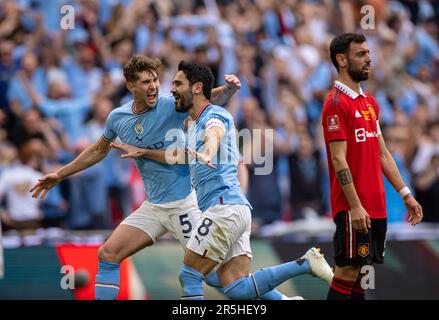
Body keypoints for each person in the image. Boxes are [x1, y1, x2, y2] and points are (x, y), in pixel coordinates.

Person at [111, 61, 334, 300]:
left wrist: (208, 151)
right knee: (237, 289)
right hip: (234, 209)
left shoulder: (214, 115)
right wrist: (144, 152)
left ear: (196, 88)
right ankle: (304, 264)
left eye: (177, 83)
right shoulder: (192, 125)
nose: (171, 89)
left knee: (190, 276)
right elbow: (176, 156)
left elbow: (214, 133)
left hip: (223, 210)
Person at [29, 55, 241, 300]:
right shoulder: (118, 118)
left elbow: (205, 100)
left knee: (213, 275)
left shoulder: (170, 105)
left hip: (184, 204)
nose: (153, 86)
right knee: (108, 253)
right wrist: (60, 173)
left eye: (155, 80)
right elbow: (98, 150)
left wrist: (228, 89)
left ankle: (276, 299)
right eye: (145, 82)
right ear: (130, 86)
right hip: (153, 207)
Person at [322, 33, 423, 300]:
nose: (369, 59)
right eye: (361, 54)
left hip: (376, 206)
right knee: (345, 273)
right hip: (354, 207)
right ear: (342, 60)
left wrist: (406, 194)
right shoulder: (335, 103)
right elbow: (338, 159)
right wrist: (355, 205)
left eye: (368, 53)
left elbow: (383, 155)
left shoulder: (369, 103)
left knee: (361, 277)